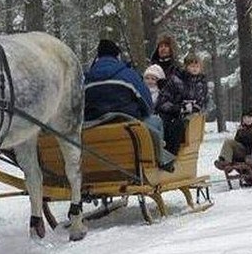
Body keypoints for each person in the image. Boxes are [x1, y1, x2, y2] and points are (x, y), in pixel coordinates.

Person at [84, 39, 174, 170]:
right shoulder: (128, 75)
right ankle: (159, 161)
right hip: (127, 124)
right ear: (117, 56)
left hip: (94, 126)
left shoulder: (86, 79)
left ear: (98, 57)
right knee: (156, 121)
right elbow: (148, 105)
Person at [156, 53, 207, 155]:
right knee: (162, 122)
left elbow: (204, 101)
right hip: (173, 112)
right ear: (186, 66)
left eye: (197, 66)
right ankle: (160, 150)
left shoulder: (202, 83)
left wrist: (195, 108)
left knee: (179, 125)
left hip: (191, 115)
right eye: (192, 66)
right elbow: (162, 101)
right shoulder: (175, 80)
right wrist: (179, 108)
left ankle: (170, 155)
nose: (195, 69)